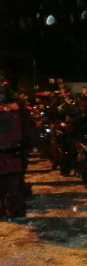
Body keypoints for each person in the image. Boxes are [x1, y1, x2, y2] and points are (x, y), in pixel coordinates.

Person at [0, 73, 37, 219]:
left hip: (14, 149)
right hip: (12, 149)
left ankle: (16, 210)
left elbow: (27, 125)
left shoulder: (18, 106)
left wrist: (30, 142)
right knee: (12, 183)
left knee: (14, 183)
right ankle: (12, 210)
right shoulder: (17, 106)